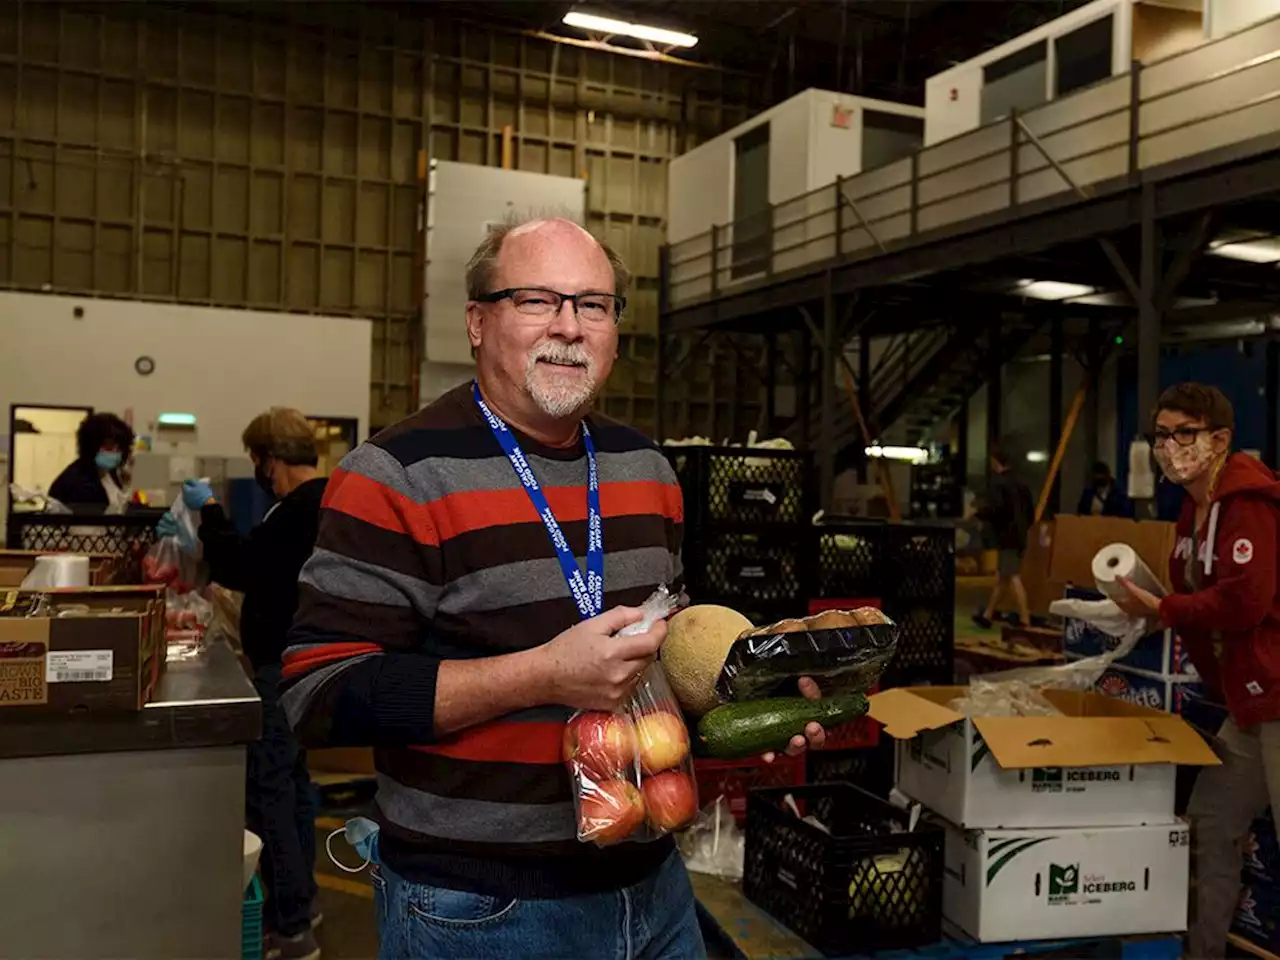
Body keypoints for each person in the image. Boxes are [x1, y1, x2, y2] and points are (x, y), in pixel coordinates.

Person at [280, 216, 827, 959]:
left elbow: (658, 665)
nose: (569, 327)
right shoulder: (398, 474)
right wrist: (542, 673)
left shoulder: (647, 471)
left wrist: (746, 698)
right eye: (537, 300)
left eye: (593, 305)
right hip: (479, 909)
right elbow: (319, 693)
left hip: (655, 885)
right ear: (478, 322)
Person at [1114, 383, 1280, 959]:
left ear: (1220, 440)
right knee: (1210, 826)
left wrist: (1162, 608)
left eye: (1185, 433)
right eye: (1162, 434)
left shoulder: (1250, 504)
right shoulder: (1192, 510)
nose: (1170, 446)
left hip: (1279, 696)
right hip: (1249, 703)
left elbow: (1246, 600)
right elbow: (1188, 595)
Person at [159, 408, 327, 960]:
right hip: (305, 664)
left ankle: (290, 924)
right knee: (295, 787)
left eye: (258, 459)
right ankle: (304, 899)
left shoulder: (299, 509)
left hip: (286, 668)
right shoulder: (320, 501)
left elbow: (242, 565)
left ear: (269, 460)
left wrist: (207, 510)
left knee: (270, 790)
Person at [973, 443, 1034, 629]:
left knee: (1012, 576)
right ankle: (988, 615)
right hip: (1020, 534)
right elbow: (1030, 512)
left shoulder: (998, 483)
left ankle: (1025, 619)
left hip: (1006, 536)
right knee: (1003, 577)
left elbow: (997, 510)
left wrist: (979, 513)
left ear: (995, 461)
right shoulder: (1022, 484)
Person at [48, 412, 134, 510]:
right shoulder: (80, 481)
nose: (115, 452)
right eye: (109, 446)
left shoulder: (107, 473)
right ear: (92, 445)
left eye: (119, 447)